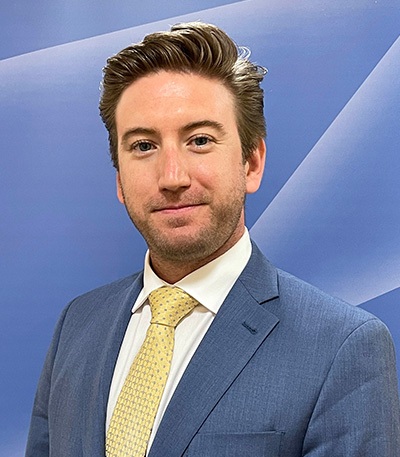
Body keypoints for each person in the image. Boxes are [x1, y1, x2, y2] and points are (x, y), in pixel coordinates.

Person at [26, 22, 400, 456]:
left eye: (200, 140)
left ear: (251, 162)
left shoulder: (341, 348)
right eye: (144, 146)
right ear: (119, 179)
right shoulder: (77, 324)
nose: (172, 177)